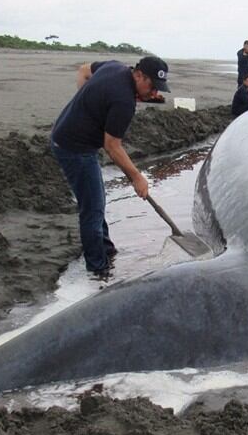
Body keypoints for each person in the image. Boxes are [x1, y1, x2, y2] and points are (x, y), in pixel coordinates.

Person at [50, 56, 170, 277]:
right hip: (73, 148)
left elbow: (84, 69)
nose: (154, 94)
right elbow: (112, 146)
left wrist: (85, 102)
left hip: (68, 135)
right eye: (152, 87)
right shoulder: (124, 101)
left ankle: (106, 250)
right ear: (139, 75)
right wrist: (137, 177)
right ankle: (98, 271)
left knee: (95, 200)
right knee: (92, 210)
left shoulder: (115, 67)